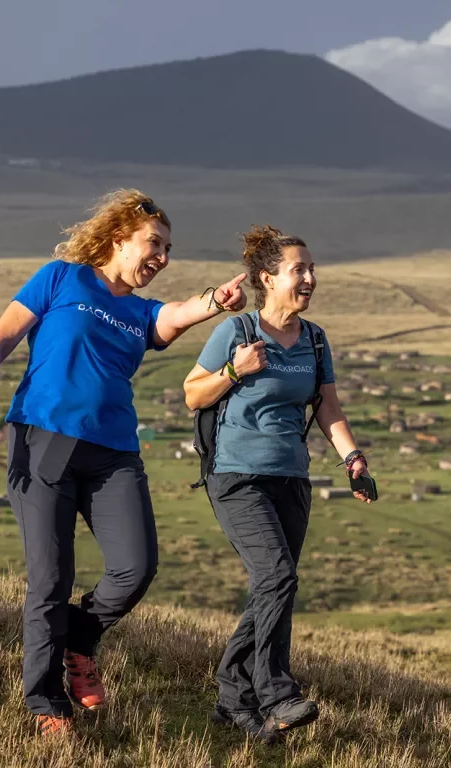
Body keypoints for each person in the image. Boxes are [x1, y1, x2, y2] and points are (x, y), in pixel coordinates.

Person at [0, 189, 247, 737]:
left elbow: (176, 315)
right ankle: (44, 700)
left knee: (136, 566)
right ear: (117, 237)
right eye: (154, 243)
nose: (162, 257)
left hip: (113, 453)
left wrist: (217, 302)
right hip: (44, 440)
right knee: (50, 579)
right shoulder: (62, 278)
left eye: (169, 249)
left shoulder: (142, 311)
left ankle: (78, 640)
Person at [182, 225, 375, 743]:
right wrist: (234, 370)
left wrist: (353, 458)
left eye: (312, 270)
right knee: (278, 577)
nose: (310, 278)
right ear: (268, 278)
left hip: (292, 477)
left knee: (273, 586)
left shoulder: (314, 339)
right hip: (236, 475)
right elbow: (193, 395)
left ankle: (232, 696)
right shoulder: (239, 331)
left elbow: (327, 407)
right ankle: (276, 693)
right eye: (299, 270)